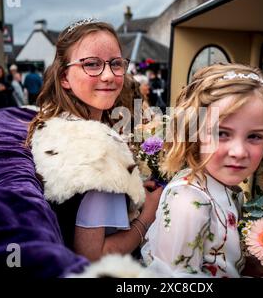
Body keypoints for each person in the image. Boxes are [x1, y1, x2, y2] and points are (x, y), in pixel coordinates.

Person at [141, 63, 263, 278]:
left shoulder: (228, 189)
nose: (239, 152)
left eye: (254, 136)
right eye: (222, 133)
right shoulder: (187, 203)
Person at [25, 19, 162, 262]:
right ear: (64, 76)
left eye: (116, 64)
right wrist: (147, 215)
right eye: (91, 64)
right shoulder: (97, 148)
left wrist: (133, 188)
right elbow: (93, 255)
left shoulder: (55, 124)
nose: (109, 75)